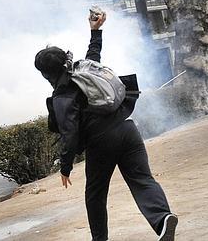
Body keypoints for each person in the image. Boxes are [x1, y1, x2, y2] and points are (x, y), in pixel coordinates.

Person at [34, 12, 178, 241]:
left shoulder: (62, 95)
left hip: (101, 141)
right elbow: (94, 54)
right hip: (128, 127)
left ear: (45, 74)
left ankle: (99, 240)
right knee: (143, 180)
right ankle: (162, 218)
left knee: (95, 195)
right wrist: (95, 30)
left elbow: (69, 134)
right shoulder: (84, 70)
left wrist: (65, 167)